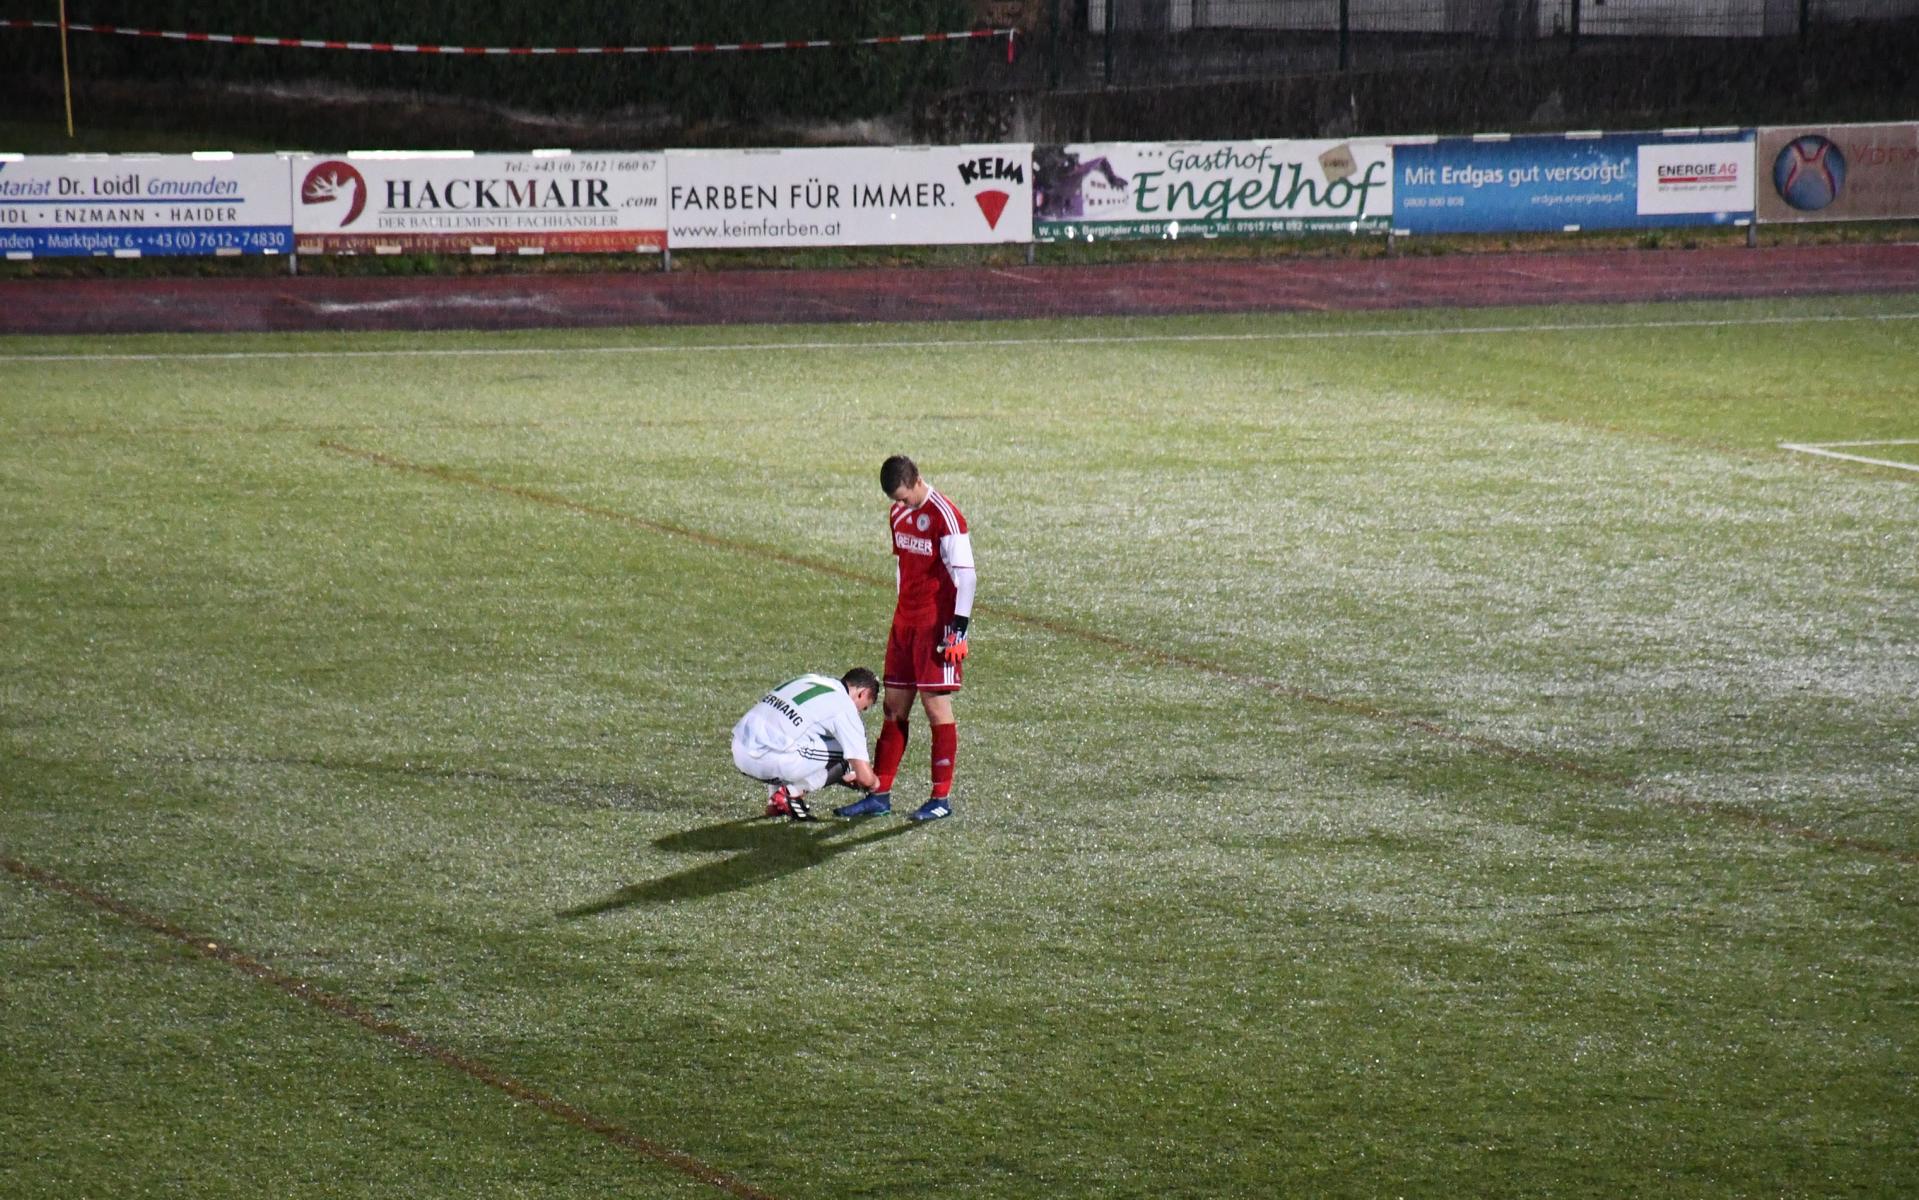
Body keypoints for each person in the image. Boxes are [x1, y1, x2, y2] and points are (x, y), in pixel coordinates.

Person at [836, 455, 975, 823]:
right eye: (895, 500)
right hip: (905, 623)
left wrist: (959, 629)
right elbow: (902, 564)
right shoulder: (898, 513)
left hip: (936, 625)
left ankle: (940, 798)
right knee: (893, 707)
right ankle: (879, 794)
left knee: (936, 708)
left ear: (916, 480)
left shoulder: (945, 515)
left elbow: (967, 575)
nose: (901, 505)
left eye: (904, 497)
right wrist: (901, 612)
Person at [732, 668, 881, 822]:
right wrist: (876, 785)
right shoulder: (845, 706)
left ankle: (774, 803)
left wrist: (840, 775)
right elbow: (865, 778)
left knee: (788, 734)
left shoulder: (808, 678)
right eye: (864, 707)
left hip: (739, 748)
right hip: (768, 761)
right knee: (847, 753)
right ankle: (791, 793)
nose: (860, 712)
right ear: (862, 693)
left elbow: (779, 724)